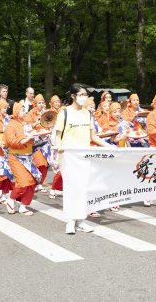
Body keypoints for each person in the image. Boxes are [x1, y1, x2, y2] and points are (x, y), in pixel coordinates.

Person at [54, 83, 113, 234]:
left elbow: (93, 136)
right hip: (69, 157)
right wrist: (59, 149)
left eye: (85, 95)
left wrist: (108, 146)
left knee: (83, 189)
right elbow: (58, 136)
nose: (83, 98)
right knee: (72, 189)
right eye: (80, 95)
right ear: (73, 96)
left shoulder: (87, 113)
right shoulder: (64, 113)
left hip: (84, 156)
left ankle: (81, 220)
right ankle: (70, 220)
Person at [3, 102, 39, 216]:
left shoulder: (26, 124)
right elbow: (11, 142)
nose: (25, 112)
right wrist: (27, 138)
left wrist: (37, 136)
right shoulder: (10, 125)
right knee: (23, 182)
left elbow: (31, 138)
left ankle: (24, 206)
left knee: (32, 182)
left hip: (28, 156)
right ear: (16, 111)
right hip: (15, 156)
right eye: (22, 110)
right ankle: (11, 199)